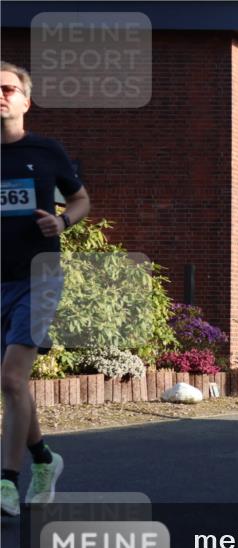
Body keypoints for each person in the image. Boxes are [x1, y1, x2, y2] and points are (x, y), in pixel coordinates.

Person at [1, 62, 91, 516]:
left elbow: (80, 199)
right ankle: (43, 459)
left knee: (12, 378)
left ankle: (6, 484)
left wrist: (63, 220)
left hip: (38, 276)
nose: (0, 95)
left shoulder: (46, 150)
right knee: (14, 388)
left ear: (25, 100)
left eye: (8, 88)